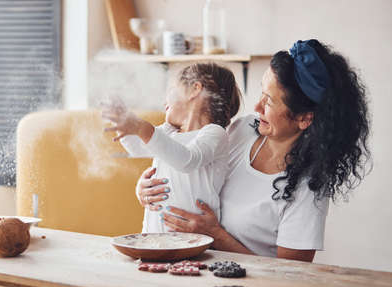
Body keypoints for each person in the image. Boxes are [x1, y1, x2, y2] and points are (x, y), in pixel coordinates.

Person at [135, 39, 370, 262]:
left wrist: (216, 235)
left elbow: (292, 275)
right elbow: (187, 160)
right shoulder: (242, 129)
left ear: (304, 118)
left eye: (268, 102)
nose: (256, 107)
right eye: (261, 93)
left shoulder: (309, 186)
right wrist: (148, 188)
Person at [102, 63, 241, 233]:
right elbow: (137, 147)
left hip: (193, 243)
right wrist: (120, 120)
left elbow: (187, 160)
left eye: (172, 89)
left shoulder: (215, 134)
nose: (164, 101)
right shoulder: (168, 131)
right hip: (153, 237)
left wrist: (140, 127)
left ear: (195, 89)